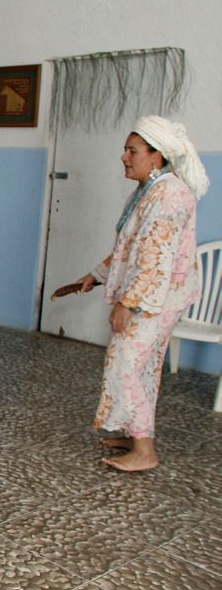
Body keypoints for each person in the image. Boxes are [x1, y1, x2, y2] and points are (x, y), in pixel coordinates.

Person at [76, 116, 209, 472]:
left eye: (132, 151)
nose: (124, 157)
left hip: (156, 299)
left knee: (126, 367)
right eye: (125, 149)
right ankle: (133, 434)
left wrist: (128, 303)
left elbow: (154, 260)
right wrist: (97, 275)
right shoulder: (149, 191)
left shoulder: (168, 196)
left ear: (157, 155)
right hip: (156, 295)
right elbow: (129, 245)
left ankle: (145, 451)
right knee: (144, 367)